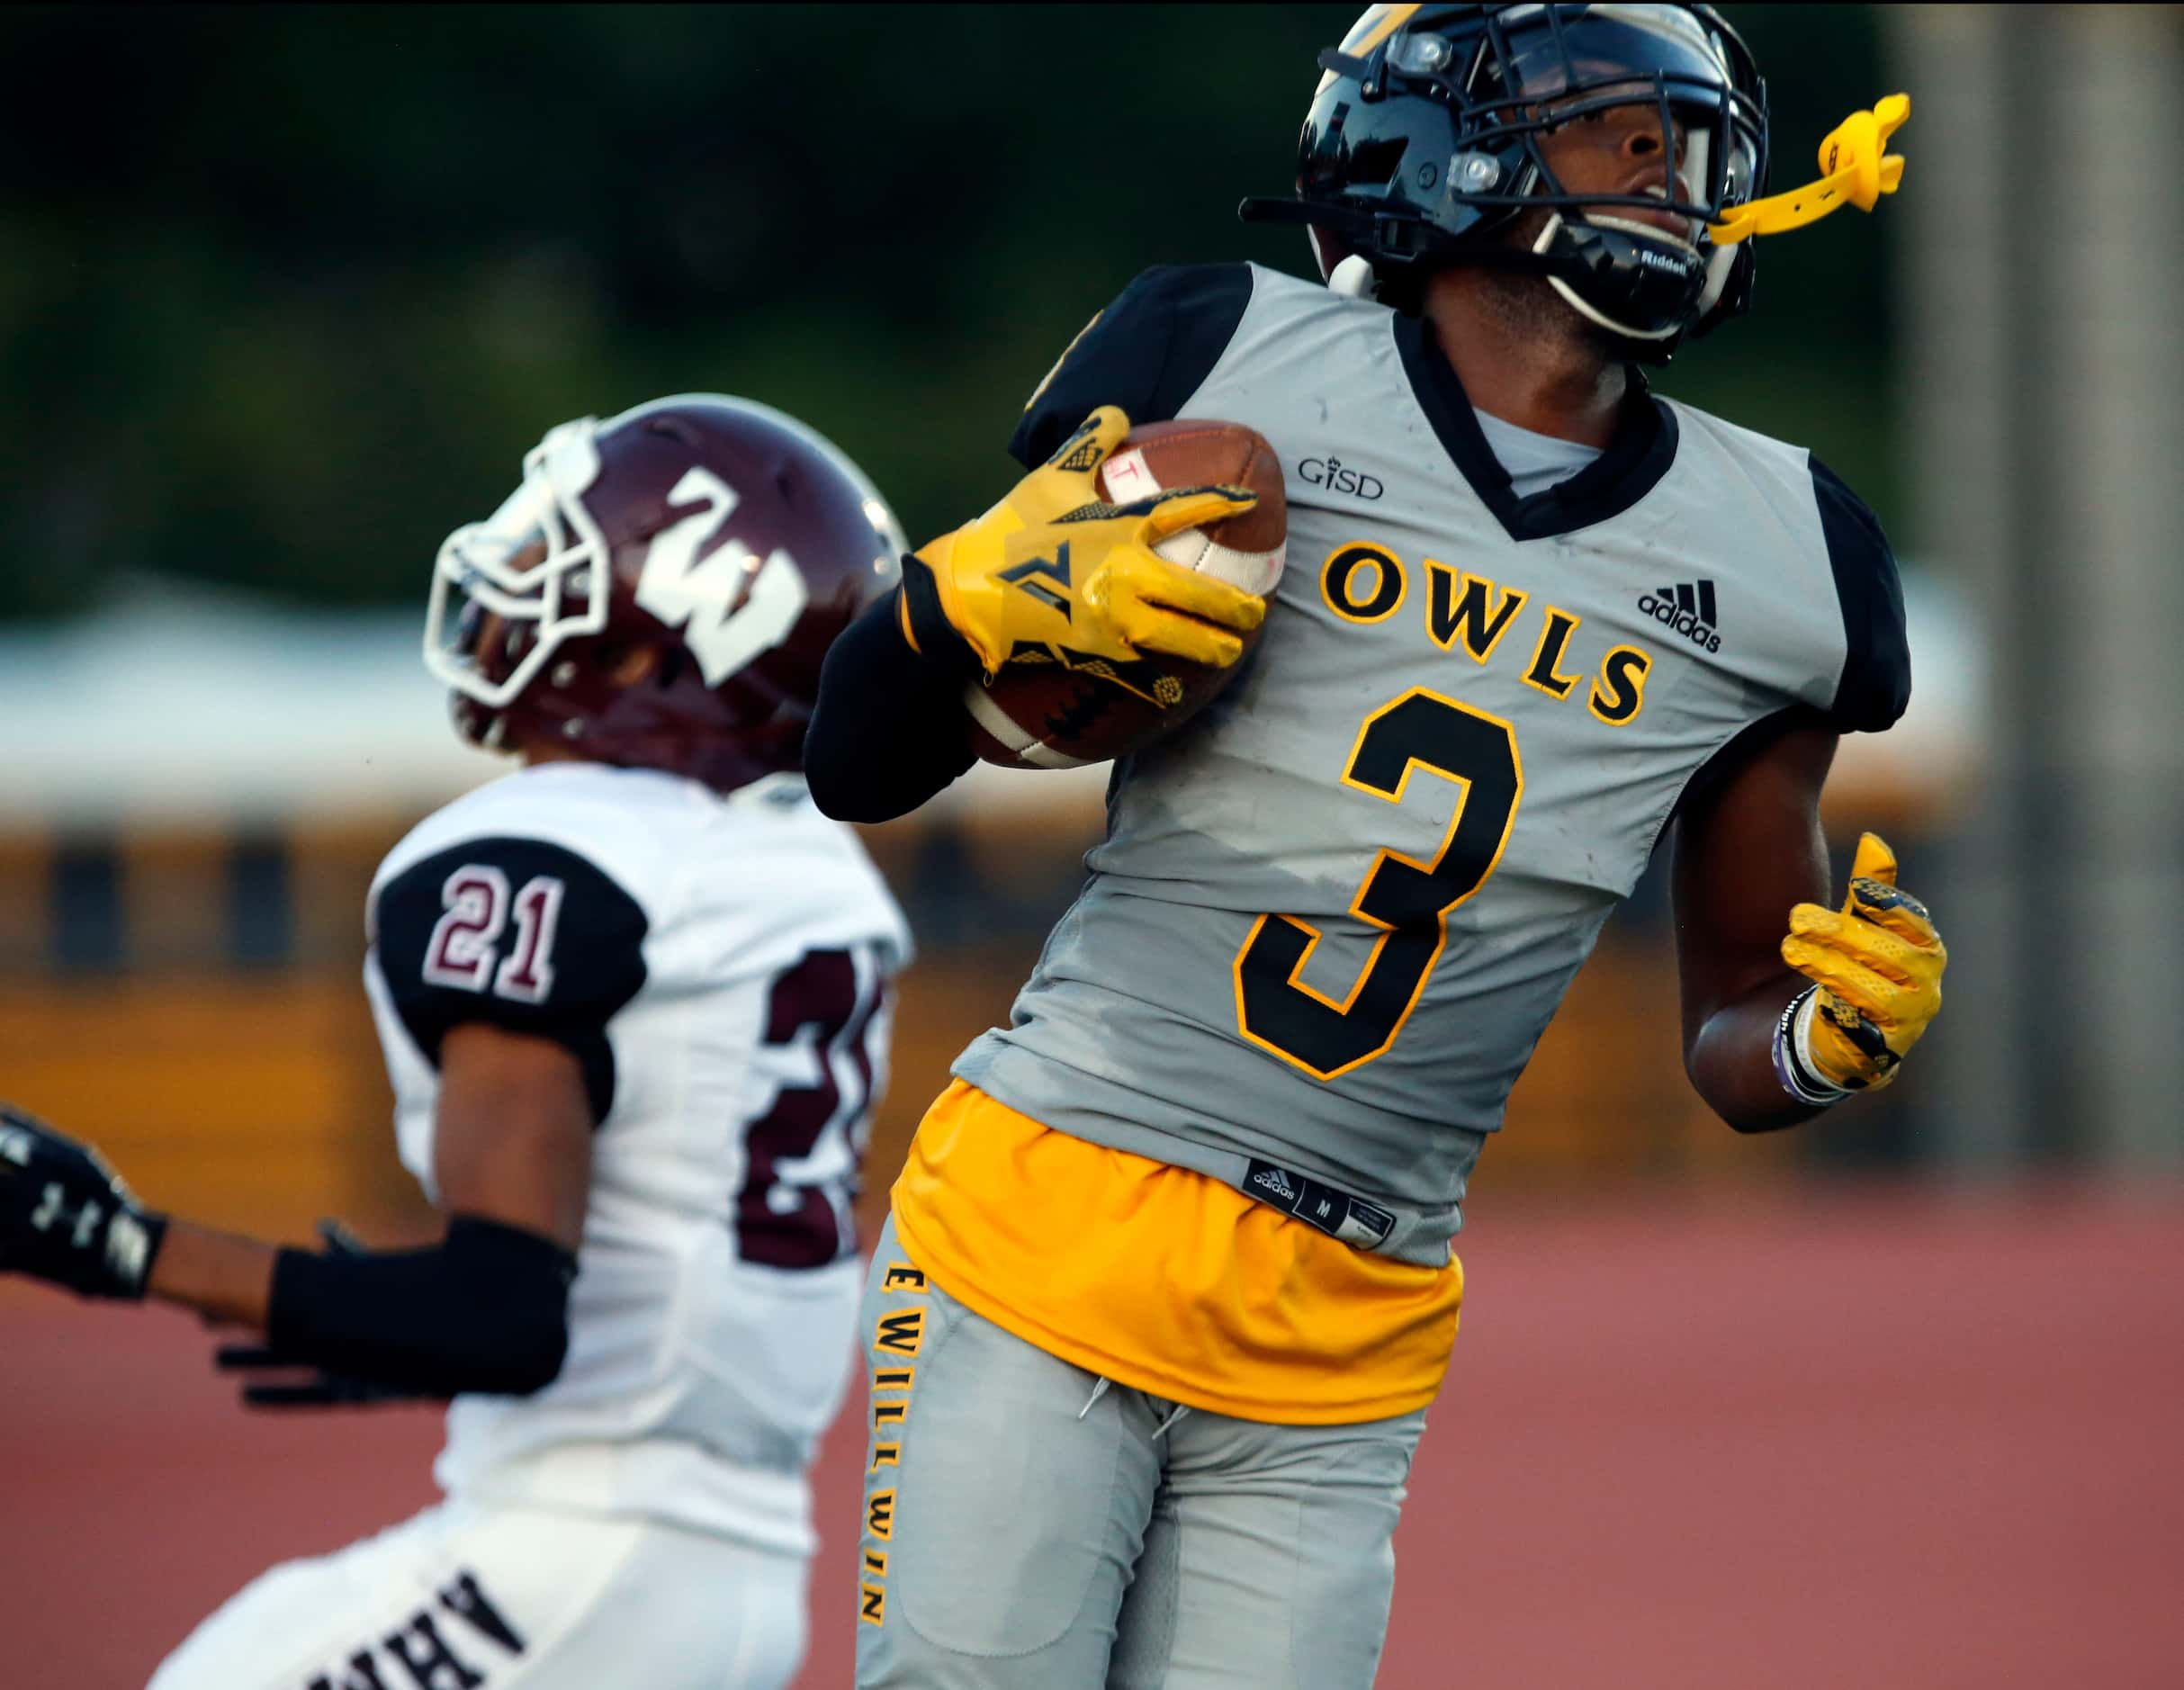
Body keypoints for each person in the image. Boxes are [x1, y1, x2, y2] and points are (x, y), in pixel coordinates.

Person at [799, 6, 1946, 1686]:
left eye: (1676, 133)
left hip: (1355, 1306)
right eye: (1601, 121)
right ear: (1432, 141)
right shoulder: (1213, 358)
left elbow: (1734, 1032)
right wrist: (942, 605)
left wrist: (1819, 1040)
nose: (1660, 162)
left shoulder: (1789, 560)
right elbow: (856, 764)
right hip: (1056, 1211)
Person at [0, 395, 912, 1690]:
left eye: (562, 557)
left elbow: (497, 1316)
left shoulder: (545, 856)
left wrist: (120, 1244)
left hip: (575, 1564)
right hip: (735, 1574)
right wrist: (369, 1320)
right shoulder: (808, 874)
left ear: (662, 651)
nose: (518, 577)